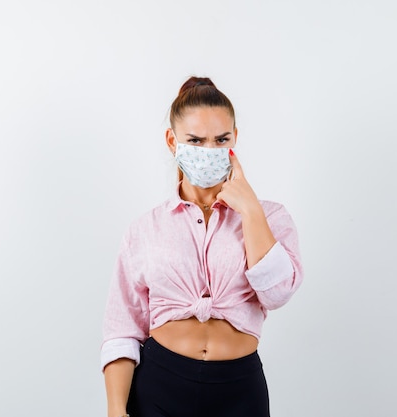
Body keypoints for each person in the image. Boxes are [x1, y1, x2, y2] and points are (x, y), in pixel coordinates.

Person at [100, 76, 303, 417]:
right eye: (195, 140)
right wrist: (116, 410)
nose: (209, 151)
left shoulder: (271, 217)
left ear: (235, 139)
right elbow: (122, 328)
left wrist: (250, 210)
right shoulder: (145, 229)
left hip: (239, 390)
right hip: (159, 385)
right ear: (172, 141)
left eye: (220, 139)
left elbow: (278, 293)